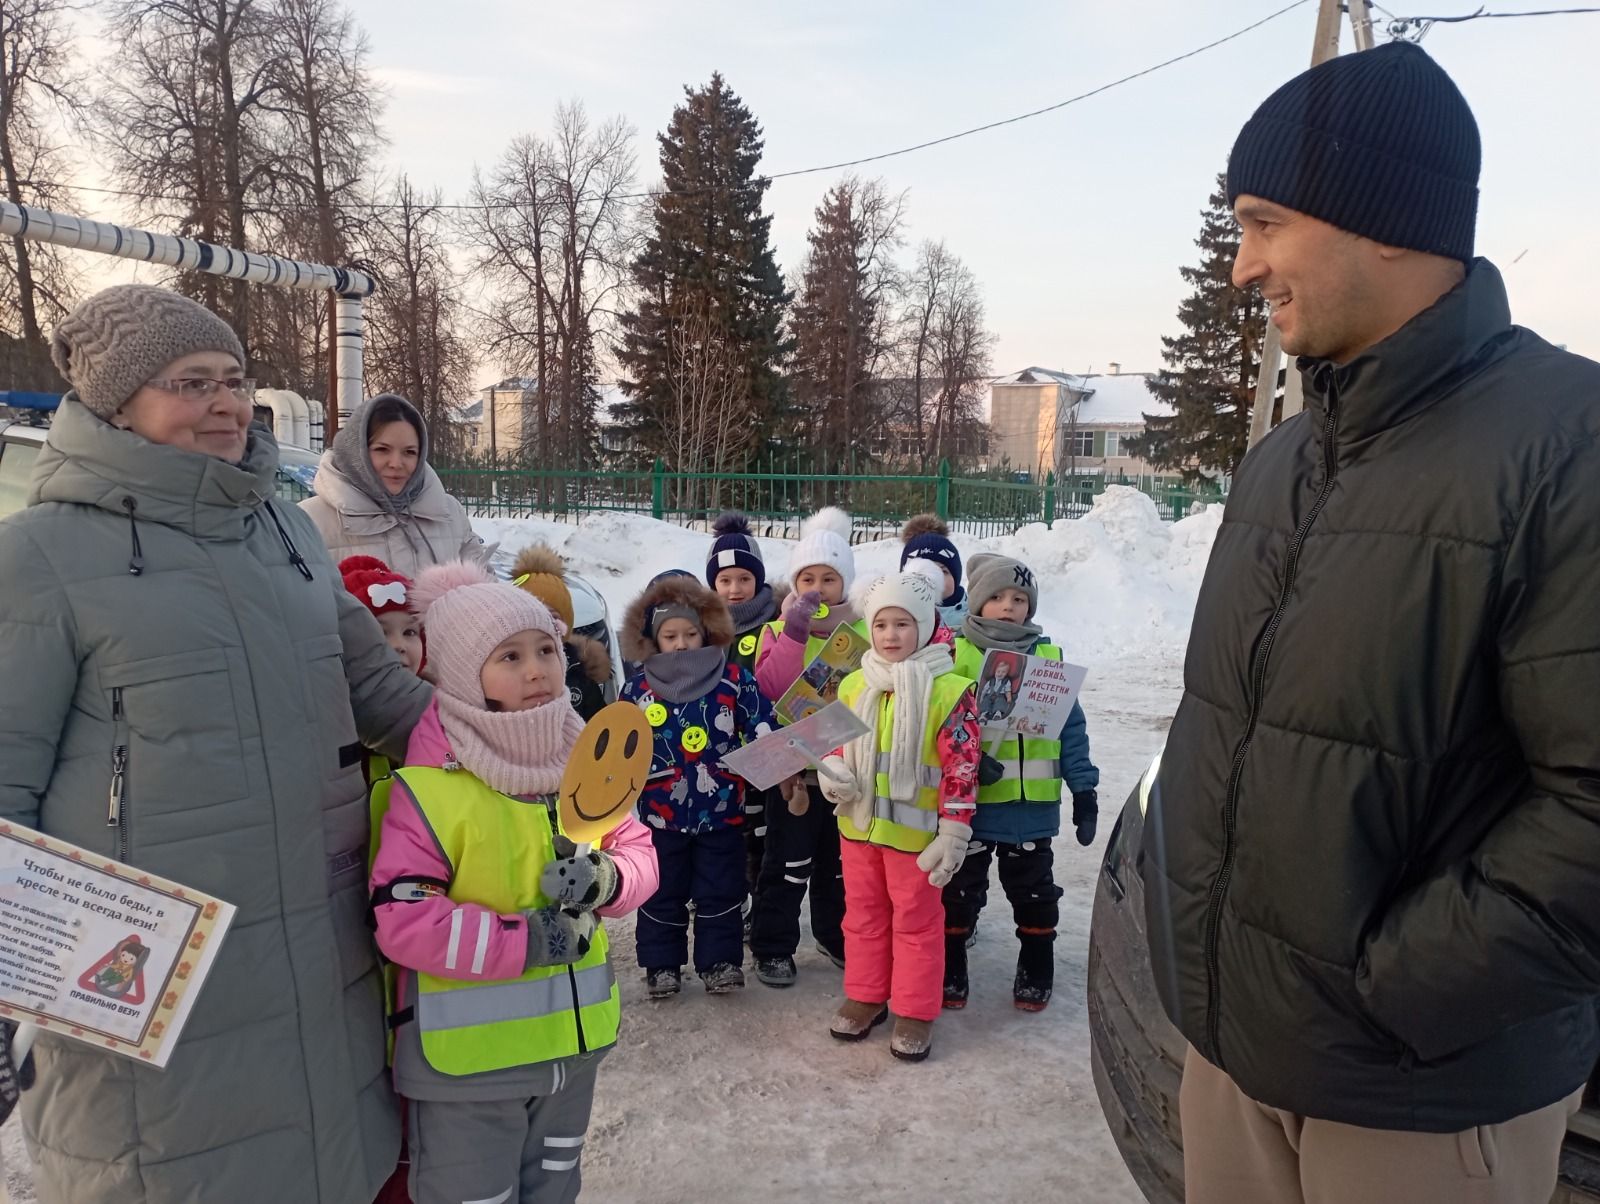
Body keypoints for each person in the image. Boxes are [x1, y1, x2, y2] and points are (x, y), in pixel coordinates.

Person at [1142, 42, 1600, 1204]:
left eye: (1262, 222)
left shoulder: (1567, 443)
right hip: (1234, 1055)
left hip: (1421, 1098)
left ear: (1383, 217)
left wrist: (1390, 987)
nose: (1240, 266)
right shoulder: (1284, 458)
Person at [0, 283, 432, 1204]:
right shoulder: (38, 558)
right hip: (153, 996)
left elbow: (382, 691)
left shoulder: (287, 534)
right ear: (117, 403)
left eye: (234, 380)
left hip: (323, 955)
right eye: (192, 383)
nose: (229, 404)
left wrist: (529, 748)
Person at [370, 561, 657, 1204]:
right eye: (509, 656)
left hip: (571, 1052)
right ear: (462, 670)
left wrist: (608, 879)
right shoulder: (431, 789)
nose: (536, 671)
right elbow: (405, 919)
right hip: (469, 1071)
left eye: (547, 650)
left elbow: (639, 852)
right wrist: (526, 942)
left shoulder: (584, 759)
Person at [818, 571, 981, 1061]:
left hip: (917, 838)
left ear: (927, 627)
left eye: (903, 624)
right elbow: (833, 746)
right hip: (859, 828)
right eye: (882, 624)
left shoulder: (949, 690)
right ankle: (866, 995)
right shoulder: (852, 685)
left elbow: (963, 765)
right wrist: (832, 772)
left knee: (916, 924)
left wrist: (954, 831)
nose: (891, 635)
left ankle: (914, 1008)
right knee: (862, 917)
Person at [943, 554, 1099, 1012]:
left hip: (1031, 809)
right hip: (971, 804)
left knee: (1034, 891)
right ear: (977, 602)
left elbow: (1072, 728)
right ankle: (950, 965)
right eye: (996, 597)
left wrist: (1084, 788)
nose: (1008, 606)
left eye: (1018, 599)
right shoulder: (956, 655)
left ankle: (1036, 962)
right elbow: (941, 723)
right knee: (958, 891)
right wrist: (970, 758)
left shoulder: (1047, 660)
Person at [619, 573, 779, 998]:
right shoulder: (638, 688)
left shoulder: (731, 679)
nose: (682, 643)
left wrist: (776, 750)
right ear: (653, 640)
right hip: (659, 814)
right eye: (670, 635)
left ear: (707, 632)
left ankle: (720, 962)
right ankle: (662, 964)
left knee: (721, 888)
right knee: (661, 891)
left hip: (722, 809)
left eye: (690, 633)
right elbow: (617, 745)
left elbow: (760, 720)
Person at [748, 506, 860, 986]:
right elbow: (769, 687)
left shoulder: (861, 633)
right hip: (793, 770)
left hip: (844, 772)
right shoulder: (776, 631)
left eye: (829, 578)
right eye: (807, 578)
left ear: (845, 584)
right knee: (787, 863)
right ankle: (773, 945)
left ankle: (834, 937)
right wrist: (794, 631)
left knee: (838, 866)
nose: (818, 588)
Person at [300, 392, 488, 579]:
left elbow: (485, 590)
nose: (396, 463)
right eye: (382, 449)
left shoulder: (449, 514)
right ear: (356, 452)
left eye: (409, 452)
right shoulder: (308, 522)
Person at [705, 511, 782, 900]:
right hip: (718, 750)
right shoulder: (703, 631)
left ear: (759, 579)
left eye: (744, 579)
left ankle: (759, 893)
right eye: (724, 580)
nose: (734, 589)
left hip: (763, 744)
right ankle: (734, 894)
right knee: (727, 829)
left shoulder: (776, 622)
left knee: (761, 828)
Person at [510, 544, 615, 721]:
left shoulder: (579, 673)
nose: (542, 625)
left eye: (551, 617)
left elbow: (600, 727)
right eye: (532, 615)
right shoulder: (504, 671)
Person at [899, 514, 967, 630]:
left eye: (943, 571)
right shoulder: (894, 614)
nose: (933, 578)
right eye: (922, 572)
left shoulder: (973, 617)